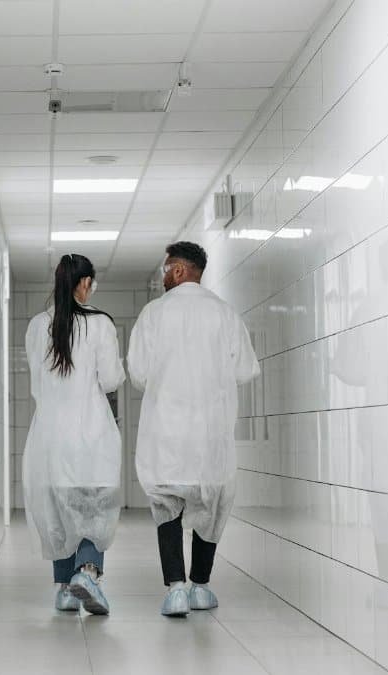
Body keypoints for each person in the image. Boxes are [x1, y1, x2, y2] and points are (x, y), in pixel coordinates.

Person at [128, 241, 260, 617]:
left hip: (167, 430)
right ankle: (201, 585)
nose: (163, 277)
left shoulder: (153, 314)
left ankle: (176, 589)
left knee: (167, 505)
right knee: (212, 504)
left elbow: (138, 374)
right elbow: (246, 370)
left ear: (180, 270)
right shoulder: (225, 314)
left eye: (165, 269)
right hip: (211, 432)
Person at [23, 254, 126, 615]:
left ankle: (65, 589)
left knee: (59, 512)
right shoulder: (100, 324)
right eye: (91, 283)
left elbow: (37, 384)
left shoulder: (38, 326)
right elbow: (111, 379)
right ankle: (87, 572)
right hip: (91, 432)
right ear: (84, 284)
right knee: (92, 508)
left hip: (50, 435)